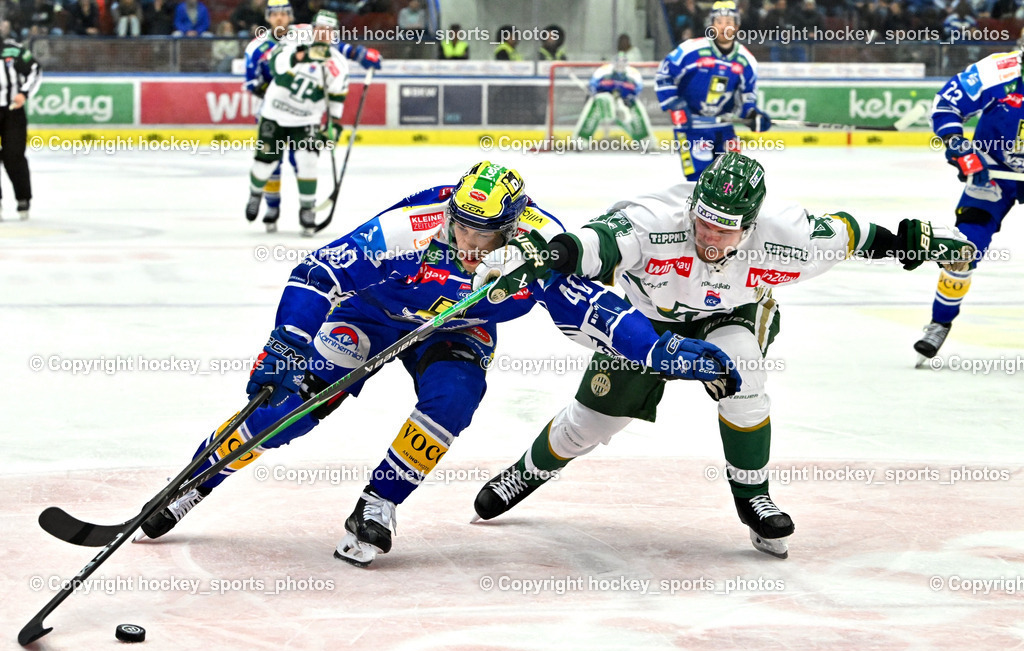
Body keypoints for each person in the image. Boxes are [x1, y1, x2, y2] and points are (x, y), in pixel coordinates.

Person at [137, 161, 740, 567]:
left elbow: (597, 310)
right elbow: (317, 271)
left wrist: (657, 349)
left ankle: (379, 504)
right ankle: (197, 479)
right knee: (289, 412)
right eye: (462, 227)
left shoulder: (538, 250)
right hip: (371, 317)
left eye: (485, 235)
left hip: (456, 327)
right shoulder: (408, 229)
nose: (469, 244)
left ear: (512, 228)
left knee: (454, 397)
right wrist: (287, 342)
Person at [470, 152, 976, 559]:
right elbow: (594, 242)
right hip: (646, 322)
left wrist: (918, 242)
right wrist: (543, 256)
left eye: (725, 229)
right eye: (704, 223)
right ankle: (527, 471)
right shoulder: (655, 220)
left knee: (746, 380)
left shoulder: (789, 236)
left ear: (752, 225)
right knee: (590, 425)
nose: (710, 238)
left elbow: (852, 234)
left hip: (730, 317)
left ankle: (753, 497)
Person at [915, 36, 1024, 363]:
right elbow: (947, 105)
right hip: (992, 173)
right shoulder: (998, 71)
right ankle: (940, 323)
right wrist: (958, 146)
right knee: (962, 250)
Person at [243, 1, 382, 233]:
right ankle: (263, 200)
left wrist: (333, 126)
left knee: (307, 162)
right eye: (319, 29)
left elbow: (336, 97)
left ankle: (307, 210)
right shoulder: (291, 40)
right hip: (274, 112)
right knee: (267, 163)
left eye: (329, 31)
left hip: (306, 119)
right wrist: (301, 57)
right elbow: (275, 68)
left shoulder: (335, 62)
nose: (323, 34)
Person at [655, 0, 771, 180]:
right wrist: (674, 103)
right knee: (698, 181)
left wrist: (752, 115)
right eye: (719, 22)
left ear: (737, 26)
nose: (724, 27)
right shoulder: (690, 50)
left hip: (724, 128)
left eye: (729, 22)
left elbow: (747, 96)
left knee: (730, 178)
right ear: (711, 25)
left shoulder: (746, 60)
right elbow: (664, 75)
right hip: (691, 128)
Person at [0, 29, 41, 219]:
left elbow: (35, 69)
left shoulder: (13, 50)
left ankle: (23, 198)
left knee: (14, 155)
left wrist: (24, 93)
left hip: (12, 111)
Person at [571, 52, 654, 145]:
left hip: (624, 100)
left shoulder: (633, 73)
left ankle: (646, 141)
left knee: (636, 111)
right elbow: (593, 84)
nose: (620, 65)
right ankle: (581, 140)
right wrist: (594, 92)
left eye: (623, 62)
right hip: (605, 99)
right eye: (618, 62)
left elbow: (638, 89)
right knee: (594, 110)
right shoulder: (603, 70)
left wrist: (631, 97)